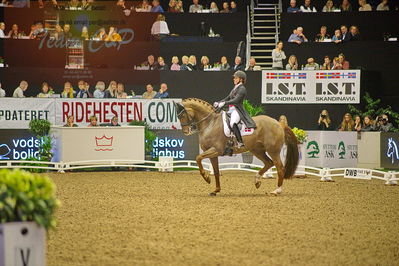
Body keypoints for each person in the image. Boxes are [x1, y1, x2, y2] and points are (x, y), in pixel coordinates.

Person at [213, 71, 256, 148]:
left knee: (232, 123)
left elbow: (236, 100)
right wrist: (219, 102)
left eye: (236, 78)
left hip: (237, 110)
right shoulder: (235, 88)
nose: (234, 79)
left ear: (241, 79)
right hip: (231, 109)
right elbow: (227, 98)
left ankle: (240, 142)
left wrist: (224, 103)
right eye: (234, 78)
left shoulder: (242, 89)